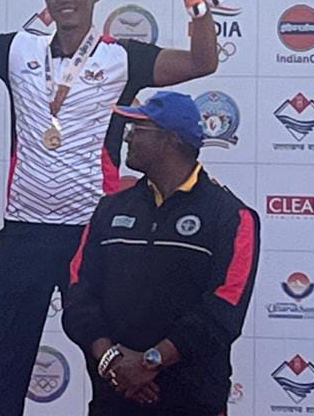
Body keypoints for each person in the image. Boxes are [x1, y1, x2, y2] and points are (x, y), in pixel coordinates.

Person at [0, 0, 218, 416]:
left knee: (109, 369)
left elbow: (202, 61)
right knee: (7, 367)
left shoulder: (122, 57)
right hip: (25, 232)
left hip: (95, 236)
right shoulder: (18, 49)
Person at [62, 91, 260, 416]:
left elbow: (223, 311)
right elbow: (78, 292)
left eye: (138, 129)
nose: (128, 137)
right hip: (115, 395)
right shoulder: (109, 208)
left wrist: (150, 362)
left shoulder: (232, 216)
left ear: (171, 140)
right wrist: (113, 359)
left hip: (193, 400)